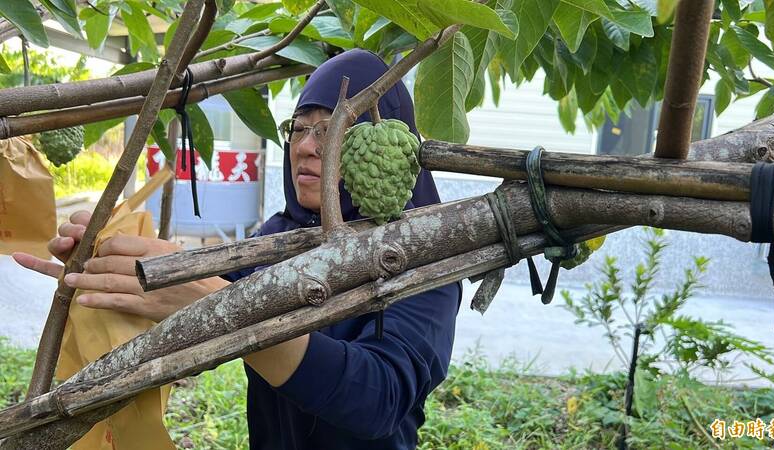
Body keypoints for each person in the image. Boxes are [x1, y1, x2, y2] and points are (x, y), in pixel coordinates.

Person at [13, 49, 462, 450]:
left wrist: (219, 309)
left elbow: (378, 400)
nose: (305, 147)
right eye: (300, 128)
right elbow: (207, 288)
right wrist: (114, 261)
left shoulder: (424, 251)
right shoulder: (279, 234)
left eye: (331, 130)